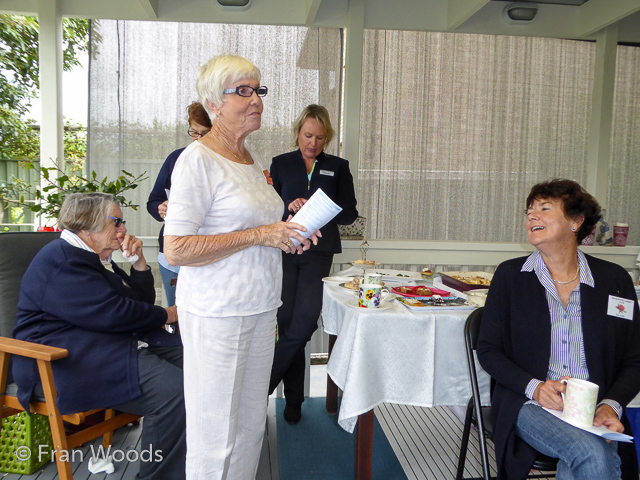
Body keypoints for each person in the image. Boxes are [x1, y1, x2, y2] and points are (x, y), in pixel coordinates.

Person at [163, 53, 318, 480]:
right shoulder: (197, 160)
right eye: (243, 92)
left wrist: (287, 233)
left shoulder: (249, 161)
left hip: (259, 308)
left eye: (258, 91)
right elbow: (175, 249)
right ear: (214, 103)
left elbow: (259, 229)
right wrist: (260, 235)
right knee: (216, 436)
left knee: (251, 428)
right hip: (217, 315)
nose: (256, 101)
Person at [12, 192, 186, 480]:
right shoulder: (62, 262)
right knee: (174, 392)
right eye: (116, 221)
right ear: (86, 224)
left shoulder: (92, 256)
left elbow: (136, 303)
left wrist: (139, 262)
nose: (123, 229)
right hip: (62, 360)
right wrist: (170, 313)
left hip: (105, 343)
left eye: (122, 221)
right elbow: (115, 314)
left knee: (200, 362)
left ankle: (199, 460)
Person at [476, 179, 640, 480]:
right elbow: (488, 350)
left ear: (576, 221)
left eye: (544, 208)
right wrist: (535, 388)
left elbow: (635, 359)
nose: (531, 217)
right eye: (529, 211)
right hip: (528, 402)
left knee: (587, 454)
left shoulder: (613, 280)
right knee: (592, 451)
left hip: (594, 406)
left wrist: (610, 405)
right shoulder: (511, 276)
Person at [267, 104, 358, 424]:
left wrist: (325, 207)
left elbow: (350, 213)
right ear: (297, 134)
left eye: (320, 138)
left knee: (304, 325)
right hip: (284, 251)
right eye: (308, 135)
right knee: (288, 324)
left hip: (319, 253)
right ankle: (294, 400)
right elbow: (266, 211)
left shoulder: (338, 166)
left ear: (327, 138)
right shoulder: (280, 164)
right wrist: (286, 206)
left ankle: (260, 387)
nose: (313, 143)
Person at [147, 102, 212, 307]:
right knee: (177, 313)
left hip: (210, 251)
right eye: (194, 132)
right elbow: (153, 200)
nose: (198, 139)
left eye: (205, 133)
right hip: (174, 252)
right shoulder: (177, 158)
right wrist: (160, 208)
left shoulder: (225, 162)